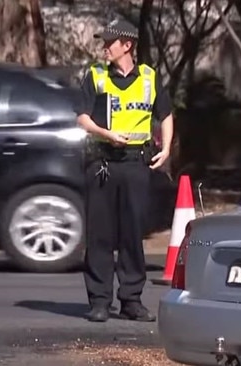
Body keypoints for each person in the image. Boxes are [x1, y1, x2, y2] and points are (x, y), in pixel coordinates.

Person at [74, 18, 174, 323]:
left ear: (127, 45)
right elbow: (81, 118)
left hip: (135, 164)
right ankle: (100, 301)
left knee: (132, 233)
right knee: (100, 234)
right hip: (103, 161)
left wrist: (167, 148)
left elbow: (165, 114)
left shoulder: (149, 78)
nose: (105, 48)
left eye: (110, 43)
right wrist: (107, 134)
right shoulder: (95, 76)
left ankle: (131, 299)